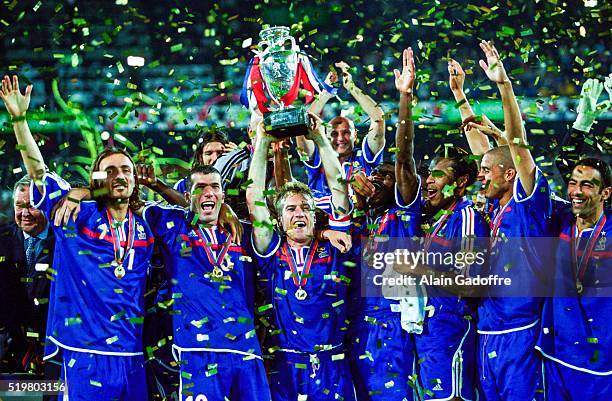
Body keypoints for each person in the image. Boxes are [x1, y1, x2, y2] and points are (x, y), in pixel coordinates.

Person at [1, 74, 155, 400]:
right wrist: (19, 120)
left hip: (132, 356)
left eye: (126, 170)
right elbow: (39, 173)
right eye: (110, 171)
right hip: (83, 353)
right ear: (97, 180)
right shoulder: (76, 215)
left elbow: (200, 212)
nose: (119, 176)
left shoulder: (149, 220)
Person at [139, 164, 272, 401]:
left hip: (247, 352)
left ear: (223, 195)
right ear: (188, 197)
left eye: (215, 187)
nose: (208, 192)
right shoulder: (173, 224)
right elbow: (127, 204)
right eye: (200, 188)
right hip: (197, 352)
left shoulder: (244, 232)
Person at [247, 114, 354, 401]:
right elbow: (254, 197)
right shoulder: (270, 251)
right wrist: (262, 142)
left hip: (333, 363)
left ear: (314, 215)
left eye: (305, 208)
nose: (299, 214)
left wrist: (320, 138)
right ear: (279, 221)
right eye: (291, 209)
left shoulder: (335, 246)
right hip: (286, 365)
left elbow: (340, 188)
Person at [474, 41, 552, 401]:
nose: (480, 176)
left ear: (510, 174)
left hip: (521, 333)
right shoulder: (491, 208)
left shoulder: (527, 204)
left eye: (487, 171)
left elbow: (517, 146)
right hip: (485, 331)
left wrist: (503, 86)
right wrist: (459, 96)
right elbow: (486, 152)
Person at [345, 47, 422, 401]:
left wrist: (404, 98)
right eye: (374, 173)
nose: (375, 179)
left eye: (384, 176)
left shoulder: (403, 215)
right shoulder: (362, 219)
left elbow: (403, 160)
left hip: (391, 326)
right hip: (356, 322)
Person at [410, 147, 489, 400]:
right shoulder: (435, 218)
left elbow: (470, 285)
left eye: (438, 175)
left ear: (461, 182)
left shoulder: (466, 218)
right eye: (428, 174)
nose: (429, 180)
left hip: (451, 331)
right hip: (429, 332)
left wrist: (415, 268)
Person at [536, 158, 611, 401]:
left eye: (588, 185)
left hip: (602, 363)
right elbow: (524, 170)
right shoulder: (560, 218)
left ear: (605, 193)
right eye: (572, 183)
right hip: (557, 354)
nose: (577, 191)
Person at [296, 61, 386, 213]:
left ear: (355, 135)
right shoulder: (318, 158)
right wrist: (325, 93)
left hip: (363, 230)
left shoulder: (365, 156)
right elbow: (302, 127)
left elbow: (378, 119)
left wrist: (351, 87)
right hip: (323, 231)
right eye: (334, 133)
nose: (340, 138)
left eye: (346, 132)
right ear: (324, 135)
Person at [1, 175, 54, 375]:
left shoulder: (64, 242)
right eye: (19, 205)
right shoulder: (2, 238)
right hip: (9, 350)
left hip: (53, 349)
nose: (25, 213)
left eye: (32, 206)